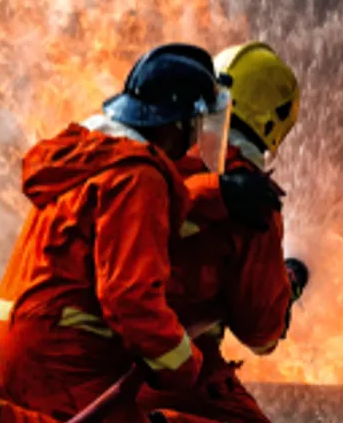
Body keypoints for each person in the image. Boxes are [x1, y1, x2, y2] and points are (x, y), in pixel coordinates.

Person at [0, 44, 233, 423]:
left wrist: (220, 194)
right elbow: (130, 297)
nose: (196, 138)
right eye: (195, 123)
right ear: (176, 123)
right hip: (59, 351)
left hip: (5, 339)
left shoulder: (95, 158)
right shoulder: (140, 178)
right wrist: (185, 366)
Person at [142, 41, 307, 423]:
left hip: (89, 355)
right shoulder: (252, 199)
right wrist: (288, 286)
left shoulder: (156, 147)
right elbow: (261, 334)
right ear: (275, 122)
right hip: (172, 365)